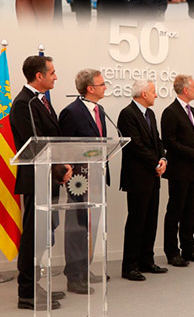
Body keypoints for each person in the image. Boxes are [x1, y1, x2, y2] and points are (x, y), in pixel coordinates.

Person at [10, 55, 72, 311]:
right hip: (36, 178)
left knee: (43, 236)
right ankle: (26, 292)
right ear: (39, 76)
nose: (56, 76)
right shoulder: (24, 103)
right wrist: (60, 169)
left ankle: (37, 284)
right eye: (52, 72)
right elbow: (34, 143)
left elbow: (52, 140)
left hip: (49, 177)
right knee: (33, 237)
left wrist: (63, 166)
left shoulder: (41, 101)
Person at [58, 68, 108, 292]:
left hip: (97, 176)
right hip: (79, 179)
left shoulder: (100, 110)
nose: (105, 87)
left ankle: (84, 268)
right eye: (102, 84)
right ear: (90, 88)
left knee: (92, 226)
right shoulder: (71, 112)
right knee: (77, 227)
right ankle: (73, 275)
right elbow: (65, 147)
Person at [118, 80, 168, 280]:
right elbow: (134, 145)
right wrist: (155, 163)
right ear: (144, 94)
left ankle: (147, 260)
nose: (156, 95)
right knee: (136, 221)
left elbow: (157, 140)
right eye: (154, 92)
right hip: (138, 177)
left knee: (151, 221)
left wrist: (163, 158)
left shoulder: (150, 114)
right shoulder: (127, 114)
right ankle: (129, 266)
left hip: (153, 176)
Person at [162, 75, 194, 267]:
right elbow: (169, 142)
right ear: (185, 90)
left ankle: (189, 249)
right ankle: (172, 253)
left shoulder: (193, 111)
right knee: (175, 212)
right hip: (179, 171)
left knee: (191, 211)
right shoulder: (170, 112)